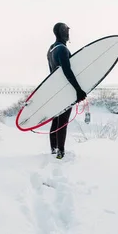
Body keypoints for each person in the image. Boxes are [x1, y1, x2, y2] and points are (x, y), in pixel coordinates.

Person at [47, 22, 87, 159]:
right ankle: (60, 153)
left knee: (56, 120)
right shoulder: (62, 50)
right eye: (66, 30)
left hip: (55, 91)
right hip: (65, 91)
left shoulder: (51, 50)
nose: (68, 33)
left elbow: (52, 74)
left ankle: (53, 149)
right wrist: (78, 90)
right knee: (62, 122)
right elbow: (67, 71)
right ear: (61, 32)